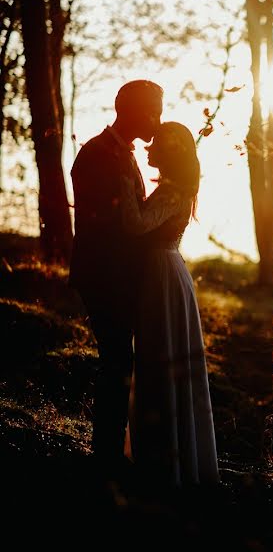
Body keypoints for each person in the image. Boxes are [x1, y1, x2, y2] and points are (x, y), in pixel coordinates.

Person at [70, 80, 163, 480]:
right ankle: (105, 456)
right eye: (153, 111)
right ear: (132, 111)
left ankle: (110, 450)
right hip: (104, 276)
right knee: (116, 361)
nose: (157, 120)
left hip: (119, 276)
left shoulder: (123, 154)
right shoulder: (96, 154)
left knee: (119, 360)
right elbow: (102, 225)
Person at [119, 121, 219, 487]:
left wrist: (124, 185)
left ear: (170, 152)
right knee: (159, 358)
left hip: (161, 276)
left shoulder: (172, 192)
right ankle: (167, 455)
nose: (149, 150)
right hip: (164, 272)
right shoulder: (174, 189)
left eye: (156, 144)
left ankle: (165, 464)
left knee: (160, 358)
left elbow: (136, 224)